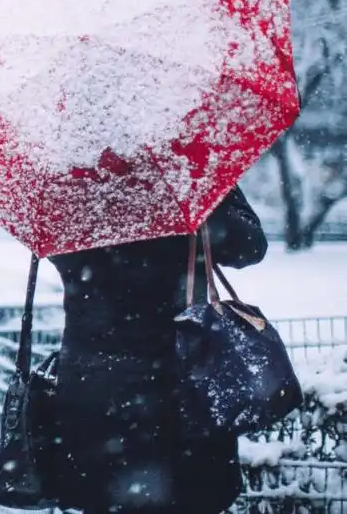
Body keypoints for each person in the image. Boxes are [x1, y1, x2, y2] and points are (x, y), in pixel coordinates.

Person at [49, 185, 268, 514]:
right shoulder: (188, 171)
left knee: (104, 498)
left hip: (94, 385)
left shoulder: (70, 177)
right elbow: (248, 246)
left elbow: (62, 253)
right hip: (180, 383)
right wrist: (209, 192)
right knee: (190, 497)